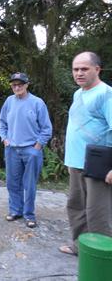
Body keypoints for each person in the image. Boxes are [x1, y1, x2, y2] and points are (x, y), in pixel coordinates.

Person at [59, 51, 112, 256]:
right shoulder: (78, 93)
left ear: (97, 69)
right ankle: (80, 247)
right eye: (75, 69)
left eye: (84, 69)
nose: (79, 73)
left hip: (99, 165)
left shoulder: (106, 95)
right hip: (76, 161)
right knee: (76, 206)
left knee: (97, 213)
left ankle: (102, 257)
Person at [0, 72, 52, 228]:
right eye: (14, 85)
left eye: (20, 84)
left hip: (31, 150)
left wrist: (38, 146)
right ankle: (15, 211)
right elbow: (2, 123)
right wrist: (4, 139)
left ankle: (29, 215)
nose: (17, 87)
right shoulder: (9, 101)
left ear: (27, 85)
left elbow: (46, 128)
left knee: (29, 184)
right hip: (12, 149)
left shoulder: (37, 103)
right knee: (12, 183)